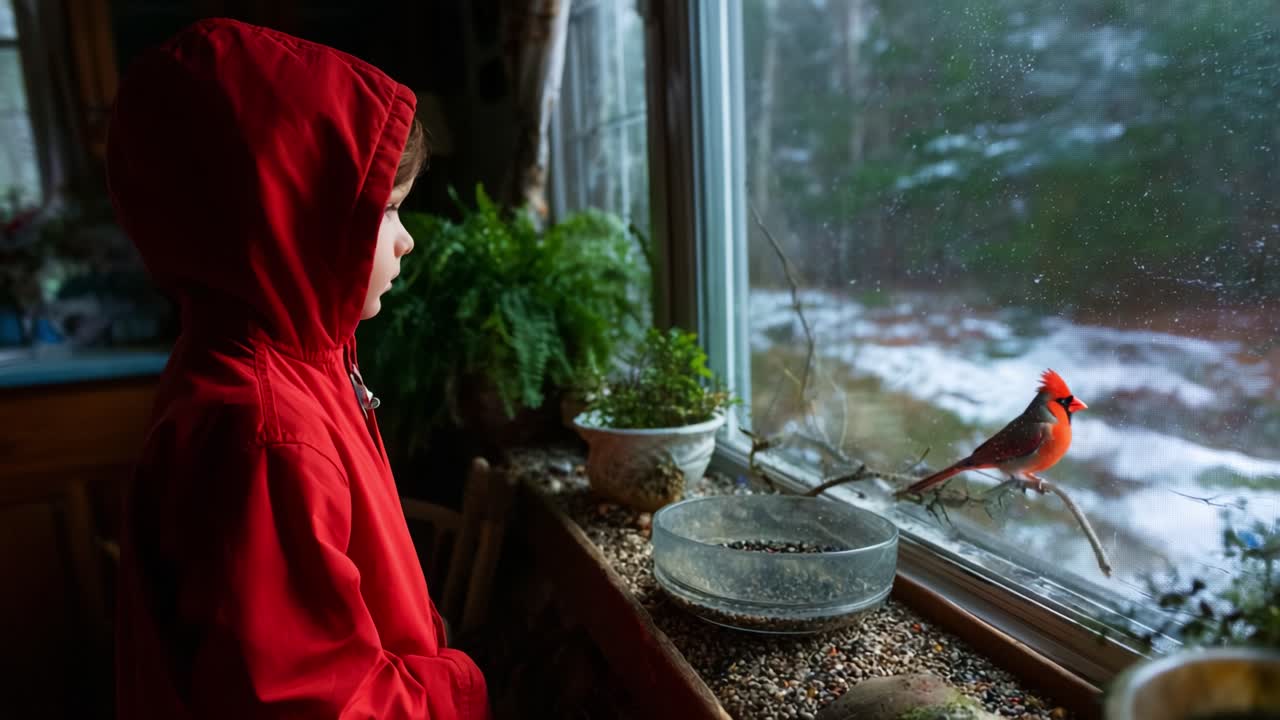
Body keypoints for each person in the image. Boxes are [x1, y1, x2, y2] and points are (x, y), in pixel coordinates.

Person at [106, 17, 490, 719]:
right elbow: (315, 701)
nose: (404, 242)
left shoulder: (289, 358)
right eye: (388, 212)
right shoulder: (265, 430)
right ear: (288, 215)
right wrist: (460, 685)